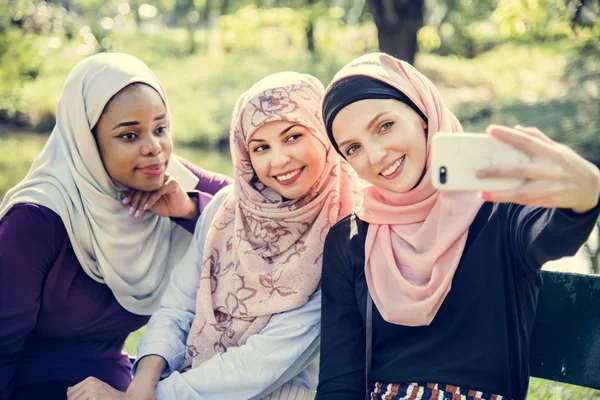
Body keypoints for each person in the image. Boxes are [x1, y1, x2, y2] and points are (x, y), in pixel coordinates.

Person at [316, 52, 600, 400]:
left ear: (423, 115)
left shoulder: (500, 208)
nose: (375, 156)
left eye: (385, 126)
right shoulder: (349, 239)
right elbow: (339, 381)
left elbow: (552, 235)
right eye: (354, 148)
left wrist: (583, 197)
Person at [66, 71, 362, 400]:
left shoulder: (344, 230)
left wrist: (150, 397)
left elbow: (263, 363)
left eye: (293, 137)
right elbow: (178, 308)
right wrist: (142, 384)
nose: (279, 160)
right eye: (261, 147)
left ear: (323, 134)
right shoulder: (227, 210)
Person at [0, 53, 231, 400]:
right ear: (87, 143)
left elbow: (261, 207)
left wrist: (191, 209)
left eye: (161, 128)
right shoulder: (35, 220)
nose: (154, 148)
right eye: (128, 136)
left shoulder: (166, 178)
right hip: (28, 384)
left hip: (116, 383)